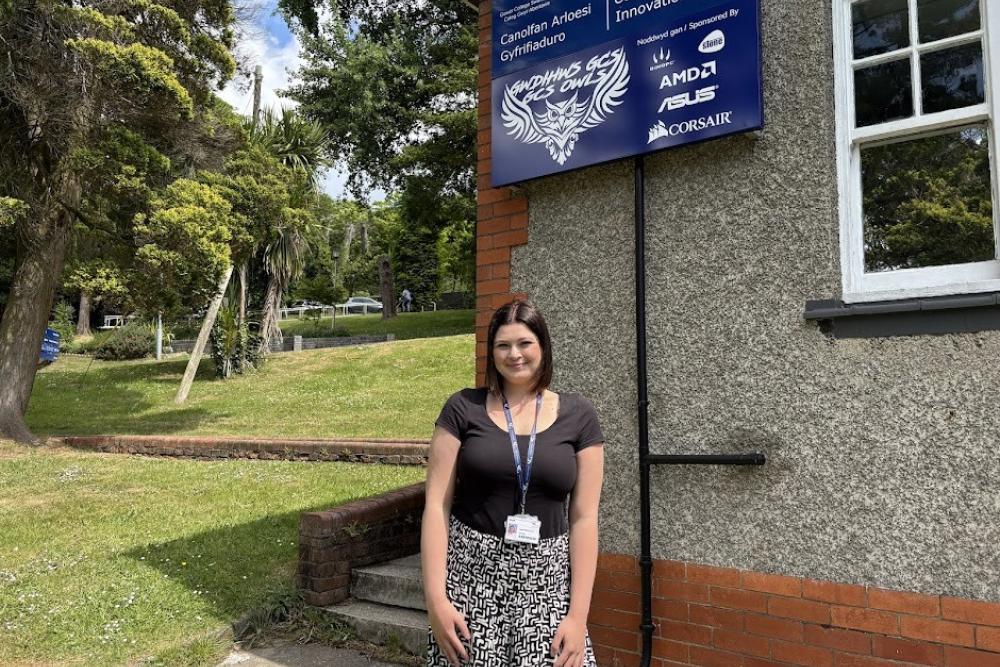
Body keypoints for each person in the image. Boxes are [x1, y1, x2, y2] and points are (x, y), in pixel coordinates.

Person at [422, 299, 605, 667]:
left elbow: (585, 518)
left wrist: (577, 616)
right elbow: (436, 506)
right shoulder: (462, 409)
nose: (514, 354)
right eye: (503, 345)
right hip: (472, 582)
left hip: (547, 586)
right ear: (491, 353)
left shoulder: (579, 416)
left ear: (543, 347)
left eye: (524, 343)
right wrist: (436, 601)